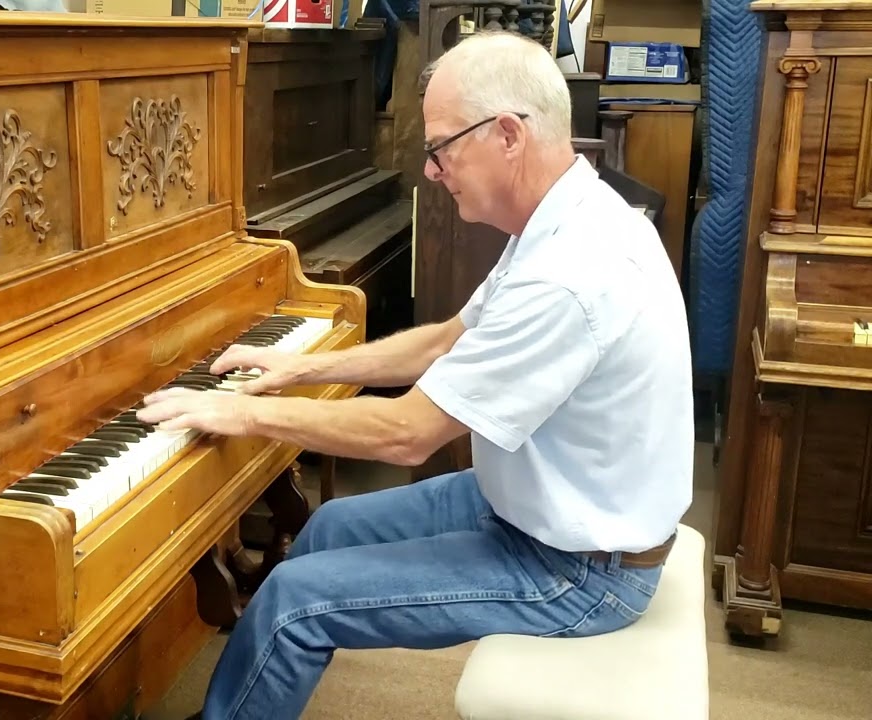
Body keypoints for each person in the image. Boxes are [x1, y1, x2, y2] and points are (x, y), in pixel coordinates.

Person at [136, 29, 693, 720]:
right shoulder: (564, 217)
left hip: (581, 569)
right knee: (329, 529)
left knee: (291, 602)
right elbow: (446, 341)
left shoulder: (570, 273)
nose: (432, 170)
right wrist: (300, 367)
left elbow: (407, 435)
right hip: (538, 504)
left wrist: (242, 414)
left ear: (509, 135)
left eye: (440, 147)